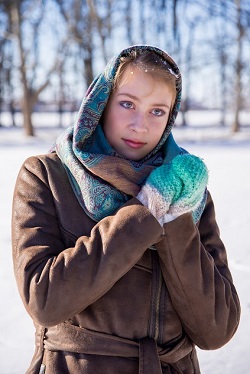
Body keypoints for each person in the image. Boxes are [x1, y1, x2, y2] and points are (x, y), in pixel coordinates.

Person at [12, 45, 240, 374]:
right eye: (128, 104)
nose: (140, 125)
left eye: (157, 111)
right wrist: (145, 212)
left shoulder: (187, 193)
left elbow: (217, 329)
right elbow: (44, 301)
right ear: (102, 101)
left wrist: (173, 216)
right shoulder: (47, 176)